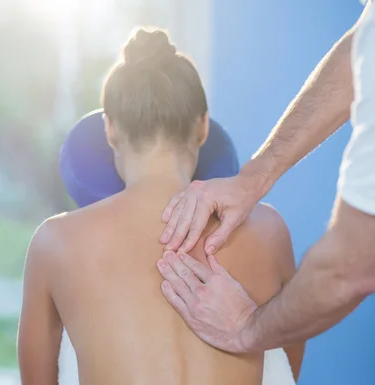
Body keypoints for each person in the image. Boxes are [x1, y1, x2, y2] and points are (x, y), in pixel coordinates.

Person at [18, 29, 309, 385]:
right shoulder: (269, 230)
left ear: (109, 131)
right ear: (203, 126)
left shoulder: (55, 241)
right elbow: (286, 378)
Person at [157, 1, 375, 354]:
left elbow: (350, 269)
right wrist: (253, 178)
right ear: (202, 125)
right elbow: (362, 51)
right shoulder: (269, 229)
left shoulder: (62, 239)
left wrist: (247, 330)